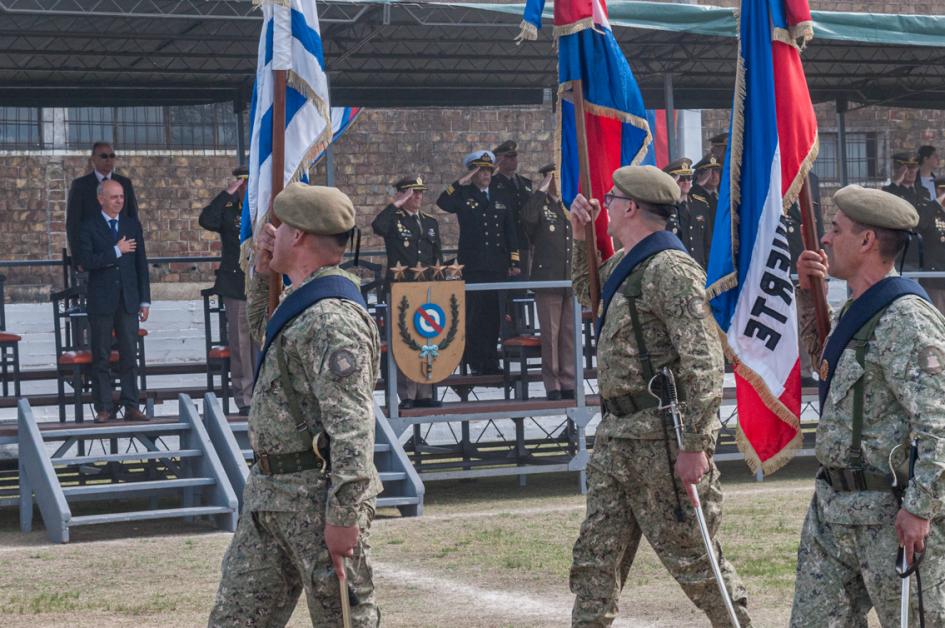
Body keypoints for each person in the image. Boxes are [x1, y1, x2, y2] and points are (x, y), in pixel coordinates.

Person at [567, 165, 751, 627]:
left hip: (660, 442)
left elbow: (705, 363)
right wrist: (580, 238)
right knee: (594, 564)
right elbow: (591, 291)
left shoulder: (670, 268)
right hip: (617, 438)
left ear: (629, 206)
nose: (604, 204)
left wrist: (695, 446)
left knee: (698, 565)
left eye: (611, 198)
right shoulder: (630, 263)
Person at [209, 183, 381, 627]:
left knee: (343, 620)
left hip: (313, 497)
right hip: (269, 495)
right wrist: (261, 271)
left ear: (299, 236)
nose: (271, 233)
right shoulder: (303, 304)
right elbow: (265, 331)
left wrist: (344, 516)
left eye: (279, 226)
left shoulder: (332, 318)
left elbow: (353, 426)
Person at [790, 185, 945, 626]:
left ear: (866, 241)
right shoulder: (856, 310)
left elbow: (938, 422)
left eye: (835, 229)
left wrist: (919, 508)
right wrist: (808, 293)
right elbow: (823, 367)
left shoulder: (906, 318)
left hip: (887, 514)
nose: (823, 239)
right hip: (834, 509)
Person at [437, 150, 521, 375]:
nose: (485, 174)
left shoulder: (499, 195)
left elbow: (509, 229)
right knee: (475, 313)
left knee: (494, 314)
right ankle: (475, 359)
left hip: (496, 263)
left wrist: (514, 260)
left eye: (488, 170)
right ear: (473, 173)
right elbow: (443, 202)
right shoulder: (464, 195)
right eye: (481, 170)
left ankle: (490, 360)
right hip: (473, 264)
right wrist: (460, 182)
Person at [75, 179, 150, 423]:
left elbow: (141, 264)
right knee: (102, 355)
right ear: (101, 199)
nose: (119, 200)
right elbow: (86, 261)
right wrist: (116, 251)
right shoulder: (88, 227)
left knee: (130, 354)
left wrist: (145, 301)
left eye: (121, 196)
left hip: (128, 299)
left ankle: (131, 404)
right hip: (101, 300)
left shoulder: (131, 224)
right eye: (114, 197)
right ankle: (104, 407)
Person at [371, 174, 443, 409]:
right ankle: (408, 394)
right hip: (402, 288)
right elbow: (377, 227)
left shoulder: (430, 222)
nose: (418, 196)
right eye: (413, 192)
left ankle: (426, 390)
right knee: (406, 339)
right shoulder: (394, 219)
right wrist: (396, 204)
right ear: (403, 193)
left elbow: (437, 257)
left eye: (420, 192)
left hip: (426, 289)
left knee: (427, 338)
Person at [199, 165, 254, 416]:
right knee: (240, 342)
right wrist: (226, 194)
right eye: (241, 183)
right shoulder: (229, 208)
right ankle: (245, 397)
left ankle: (267, 393)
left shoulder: (265, 206)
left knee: (263, 341)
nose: (245, 187)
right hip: (236, 284)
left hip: (263, 282)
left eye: (248, 182)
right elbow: (206, 220)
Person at [521, 163, 575, 401]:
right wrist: (541, 190)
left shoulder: (568, 205)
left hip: (568, 279)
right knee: (550, 336)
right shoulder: (540, 206)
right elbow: (526, 220)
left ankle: (569, 381)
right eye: (555, 177)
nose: (560, 181)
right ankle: (552, 384)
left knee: (568, 334)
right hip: (548, 278)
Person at [67, 142, 139, 261]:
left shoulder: (125, 183)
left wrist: (136, 252)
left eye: (112, 156)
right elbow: (73, 223)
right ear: (93, 159)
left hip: (123, 250)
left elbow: (133, 217)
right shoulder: (80, 185)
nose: (108, 160)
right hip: (94, 253)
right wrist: (78, 257)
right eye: (104, 156)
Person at [491, 140, 533, 276]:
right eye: (509, 157)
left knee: (523, 282)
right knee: (506, 285)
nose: (513, 160)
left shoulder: (525, 183)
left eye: (514, 156)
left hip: (523, 240)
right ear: (500, 160)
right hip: (504, 242)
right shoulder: (493, 183)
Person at [683, 154, 721, 269]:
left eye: (716, 171)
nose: (714, 176)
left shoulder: (718, 197)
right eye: (709, 172)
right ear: (700, 175)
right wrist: (698, 185)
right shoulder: (695, 195)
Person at [662, 157, 693, 244]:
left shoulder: (699, 205)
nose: (686, 182)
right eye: (682, 179)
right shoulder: (666, 207)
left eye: (689, 177)